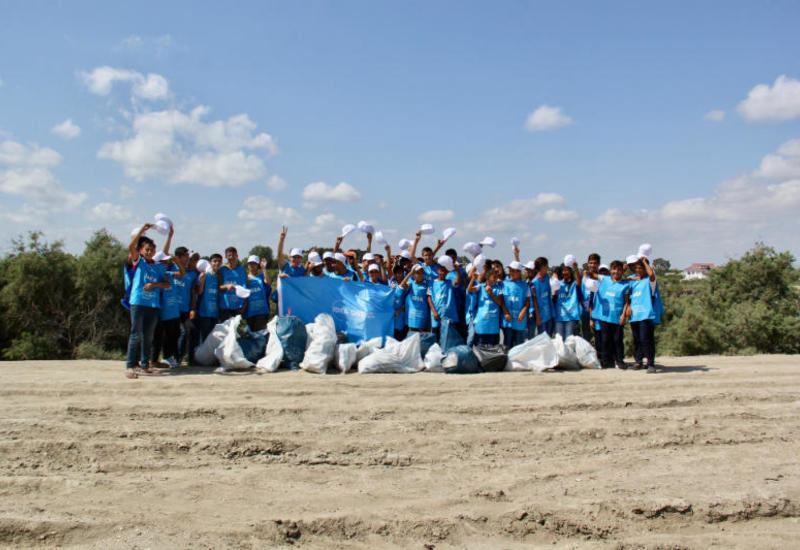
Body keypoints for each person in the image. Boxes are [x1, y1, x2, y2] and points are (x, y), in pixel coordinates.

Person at [124, 224, 170, 379]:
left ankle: (145, 365)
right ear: (141, 251)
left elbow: (167, 284)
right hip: (138, 302)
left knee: (148, 336)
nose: (149, 252)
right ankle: (130, 366)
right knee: (135, 334)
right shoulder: (139, 262)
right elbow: (131, 246)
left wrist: (154, 285)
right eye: (146, 250)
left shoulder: (158, 266)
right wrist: (142, 230)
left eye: (151, 250)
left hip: (152, 304)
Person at [593, 260, 630, 369]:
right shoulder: (605, 279)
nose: (616, 272)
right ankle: (606, 362)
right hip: (604, 317)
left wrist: (623, 315)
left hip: (617, 317)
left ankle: (620, 361)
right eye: (614, 269)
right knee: (605, 340)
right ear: (611, 270)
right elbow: (592, 275)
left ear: (622, 271)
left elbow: (627, 301)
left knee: (617, 340)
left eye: (619, 270)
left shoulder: (625, 285)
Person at [468, 266, 511, 346]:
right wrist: (473, 279)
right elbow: (469, 289)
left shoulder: (499, 288)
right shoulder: (480, 287)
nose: (495, 279)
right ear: (487, 277)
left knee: (492, 348)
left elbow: (500, 302)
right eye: (494, 277)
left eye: (496, 277)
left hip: (493, 325)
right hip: (482, 324)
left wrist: (491, 293)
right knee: (481, 347)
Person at [628, 256, 658, 372]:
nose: (639, 270)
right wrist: (628, 308)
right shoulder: (633, 281)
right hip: (634, 315)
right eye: (637, 268)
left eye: (642, 268)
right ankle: (638, 361)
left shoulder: (650, 282)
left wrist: (645, 262)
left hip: (646, 315)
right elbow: (628, 296)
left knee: (646, 339)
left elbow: (651, 275)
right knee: (637, 340)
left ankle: (651, 363)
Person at [172, 246, 199, 365]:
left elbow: (193, 293)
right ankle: (172, 357)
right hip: (171, 308)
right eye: (186, 256)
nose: (188, 258)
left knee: (188, 330)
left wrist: (193, 308)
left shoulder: (192, 275)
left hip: (185, 309)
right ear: (178, 257)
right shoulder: (171, 270)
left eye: (189, 256)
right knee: (173, 333)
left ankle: (183, 357)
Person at [427, 255, 461, 340]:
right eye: (441, 271)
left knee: (448, 338)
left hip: (449, 315)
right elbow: (429, 298)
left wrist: (457, 270)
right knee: (436, 338)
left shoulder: (449, 282)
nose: (443, 273)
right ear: (438, 271)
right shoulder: (432, 283)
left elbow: (458, 281)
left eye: (445, 271)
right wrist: (434, 311)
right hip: (437, 315)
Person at [502, 261, 531, 348]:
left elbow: (527, 301)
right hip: (508, 319)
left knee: (519, 344)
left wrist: (523, 311)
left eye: (514, 271)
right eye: (510, 270)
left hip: (519, 319)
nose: (512, 273)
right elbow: (501, 300)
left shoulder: (525, 285)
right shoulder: (505, 284)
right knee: (507, 343)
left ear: (519, 272)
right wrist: (506, 312)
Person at [553, 260, 583, 340]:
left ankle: (567, 353)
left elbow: (579, 281)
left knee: (568, 339)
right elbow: (553, 296)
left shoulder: (574, 283)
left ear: (570, 272)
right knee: (559, 339)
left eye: (567, 270)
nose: (565, 272)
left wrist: (576, 269)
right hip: (559, 316)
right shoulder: (558, 283)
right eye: (563, 270)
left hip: (571, 316)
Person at [196, 254, 222, 342]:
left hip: (214, 312)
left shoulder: (217, 277)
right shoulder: (205, 275)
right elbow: (199, 292)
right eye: (215, 261)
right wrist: (202, 281)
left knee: (211, 338)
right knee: (203, 338)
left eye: (219, 261)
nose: (217, 263)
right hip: (204, 312)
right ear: (210, 262)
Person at [219, 247, 246, 321]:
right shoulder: (222, 270)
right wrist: (226, 286)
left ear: (237, 256)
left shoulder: (241, 270)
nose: (232, 258)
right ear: (226, 257)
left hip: (238, 306)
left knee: (235, 329)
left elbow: (245, 288)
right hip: (224, 306)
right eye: (229, 255)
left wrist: (244, 305)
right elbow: (218, 287)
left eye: (234, 255)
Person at [244, 255, 271, 331]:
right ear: (248, 265)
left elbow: (268, 282)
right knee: (252, 335)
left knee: (260, 334)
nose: (252, 265)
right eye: (250, 263)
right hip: (250, 312)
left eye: (254, 263)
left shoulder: (261, 276)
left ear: (257, 265)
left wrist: (264, 268)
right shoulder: (245, 278)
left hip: (261, 311)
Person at [400, 265, 430, 332]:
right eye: (418, 273)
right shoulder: (411, 284)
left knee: (421, 335)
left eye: (422, 273)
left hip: (422, 315)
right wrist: (410, 273)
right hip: (412, 316)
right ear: (413, 275)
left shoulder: (426, 285)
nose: (420, 275)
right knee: (411, 334)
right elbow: (401, 285)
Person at [530, 257, 553, 337]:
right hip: (541, 315)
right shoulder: (534, 282)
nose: (547, 267)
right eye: (546, 265)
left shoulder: (546, 277)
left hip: (548, 314)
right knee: (543, 339)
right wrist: (538, 317)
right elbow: (534, 300)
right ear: (542, 266)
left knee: (549, 337)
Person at [581, 253, 600, 344]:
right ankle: (586, 355)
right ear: (588, 264)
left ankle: (600, 355)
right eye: (591, 263)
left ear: (598, 264)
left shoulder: (600, 277)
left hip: (597, 309)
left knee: (599, 333)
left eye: (595, 263)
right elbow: (580, 293)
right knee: (585, 333)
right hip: (585, 309)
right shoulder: (584, 277)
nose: (592, 265)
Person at [388, 264, 408, 340]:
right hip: (391, 314)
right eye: (397, 273)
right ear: (395, 274)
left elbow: (407, 300)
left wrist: (400, 309)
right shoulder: (391, 283)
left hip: (401, 314)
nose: (399, 275)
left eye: (401, 273)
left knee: (400, 336)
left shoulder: (406, 286)